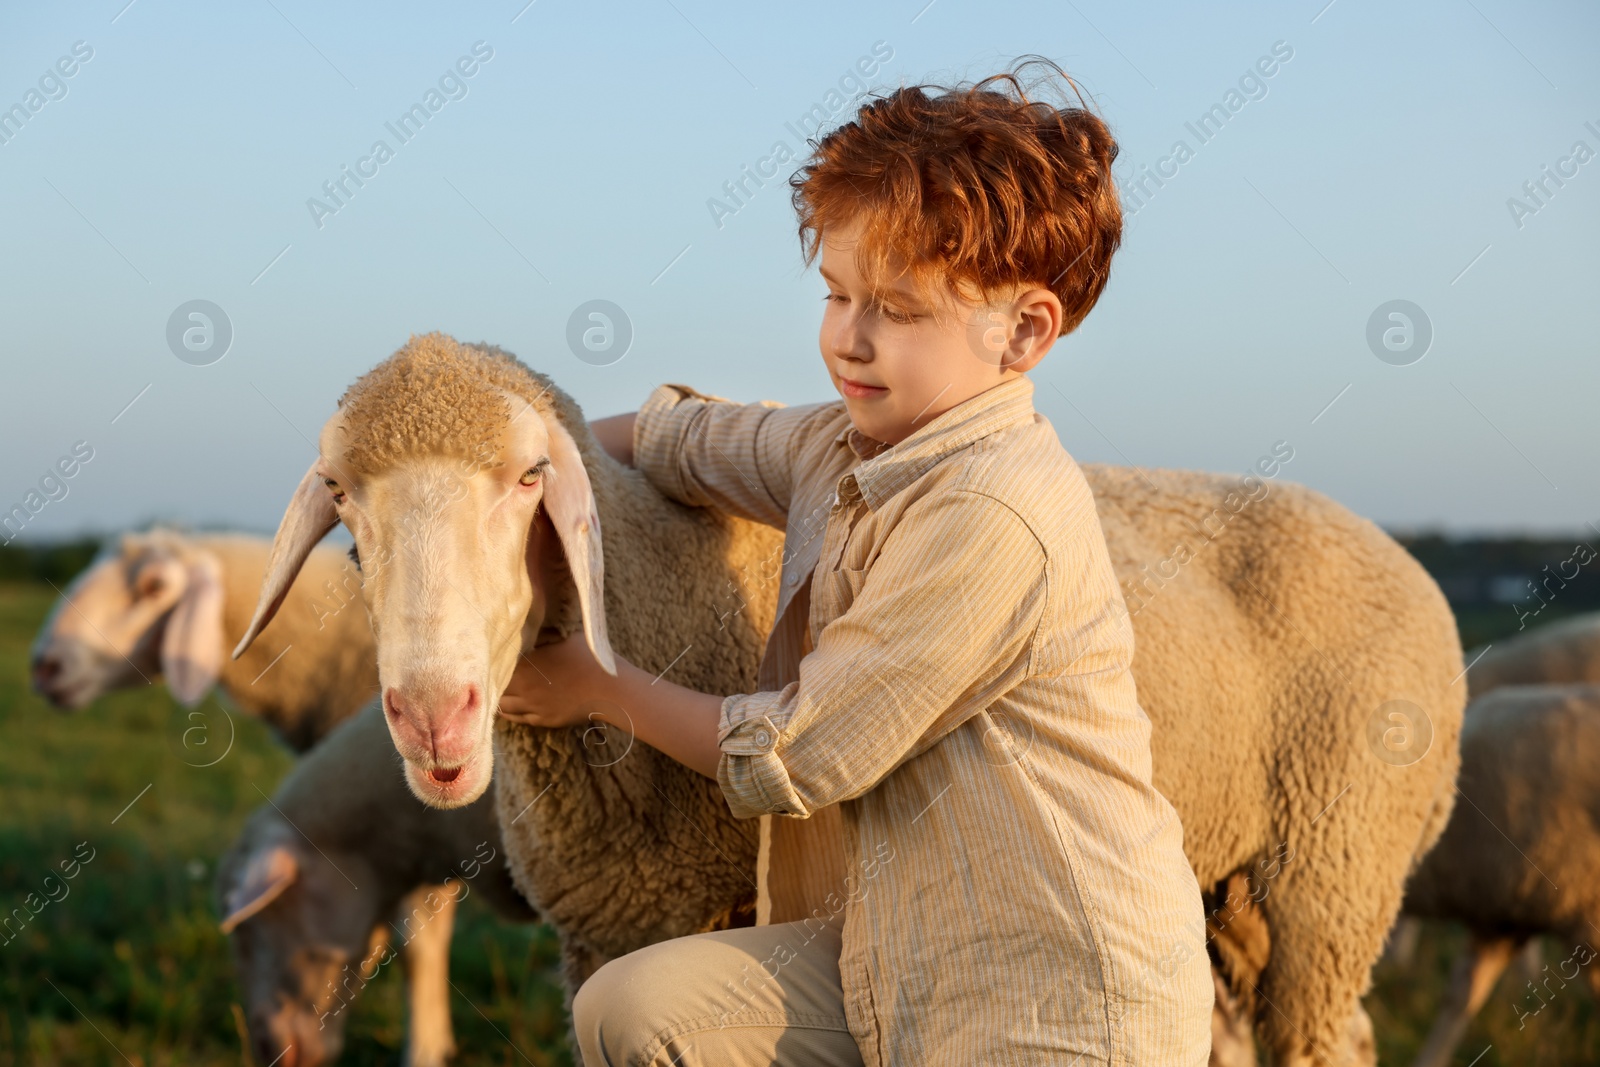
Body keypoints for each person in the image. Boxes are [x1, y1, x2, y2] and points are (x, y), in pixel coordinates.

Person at [499, 60, 1213, 1066]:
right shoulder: (838, 445)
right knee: (637, 1009)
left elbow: (793, 751)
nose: (850, 336)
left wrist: (598, 685)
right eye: (837, 292)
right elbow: (677, 440)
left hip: (1058, 991)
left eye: (899, 308)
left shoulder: (994, 512)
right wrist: (524, 462)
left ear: (1023, 330)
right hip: (895, 947)